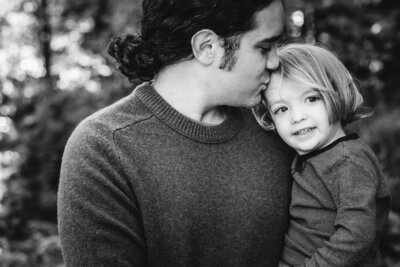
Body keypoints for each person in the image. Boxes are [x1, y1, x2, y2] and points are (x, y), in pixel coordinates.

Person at [57, 0, 295, 266]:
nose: (275, 62)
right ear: (207, 47)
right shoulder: (103, 148)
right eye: (264, 48)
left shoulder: (284, 125)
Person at [253, 43, 391, 266]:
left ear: (337, 93)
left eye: (311, 99)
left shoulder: (347, 161)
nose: (297, 117)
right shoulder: (311, 155)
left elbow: (357, 235)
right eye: (281, 109)